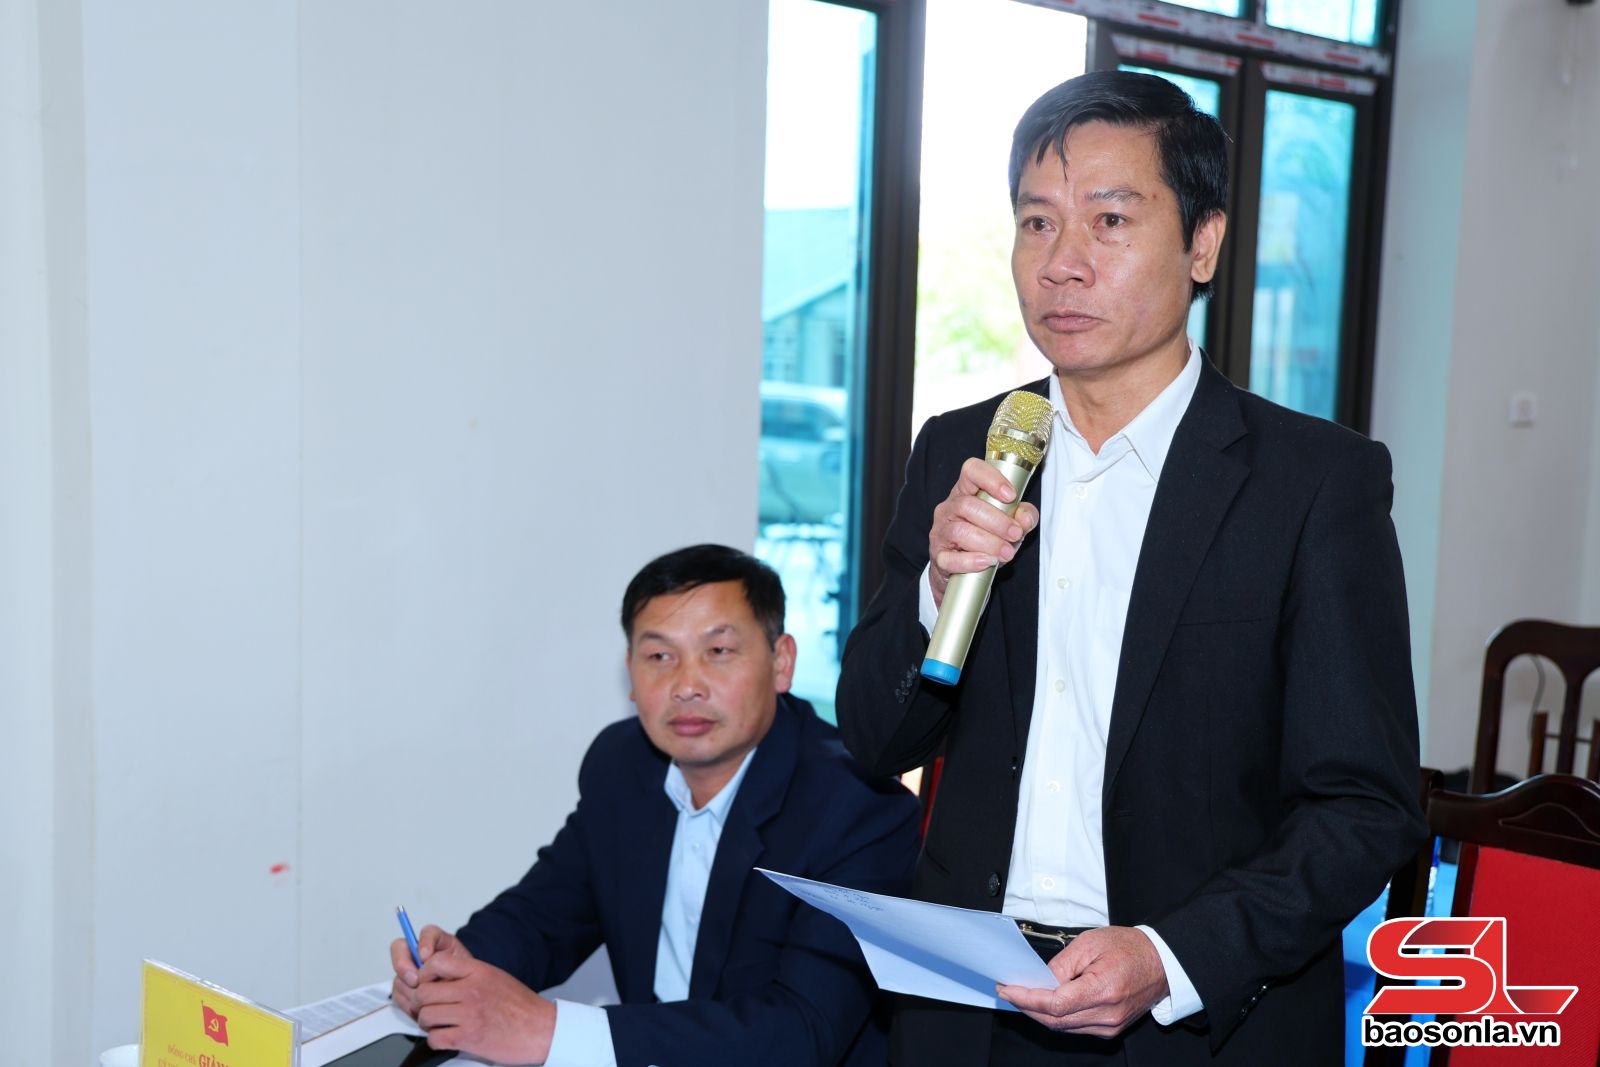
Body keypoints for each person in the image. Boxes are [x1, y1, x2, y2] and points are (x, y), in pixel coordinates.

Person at [835, 70, 1425, 1066]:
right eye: (1036, 223)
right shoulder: (962, 451)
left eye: (1109, 221)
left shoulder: (1313, 482)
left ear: (1203, 244)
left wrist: (1170, 954)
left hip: (1193, 1017)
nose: (1061, 264)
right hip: (968, 1006)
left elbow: (1364, 806)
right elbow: (871, 732)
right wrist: (938, 589)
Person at [391, 544, 921, 1066]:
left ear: (781, 662)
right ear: (630, 670)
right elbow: (543, 916)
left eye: (718, 651)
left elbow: (802, 1031)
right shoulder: (622, 766)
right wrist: (456, 968)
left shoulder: (857, 805)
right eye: (660, 656)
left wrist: (547, 1030)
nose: (686, 686)